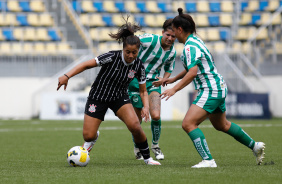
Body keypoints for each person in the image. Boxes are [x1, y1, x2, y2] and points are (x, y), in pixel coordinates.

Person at [160, 8, 265, 168]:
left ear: (180, 30)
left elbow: (193, 72)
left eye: (174, 31)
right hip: (219, 86)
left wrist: (174, 89)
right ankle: (255, 146)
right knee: (221, 125)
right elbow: (193, 68)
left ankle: (208, 160)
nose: (173, 36)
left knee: (188, 124)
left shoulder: (189, 47)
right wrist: (173, 78)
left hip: (210, 89)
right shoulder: (196, 41)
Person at [57, 17, 161, 166]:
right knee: (88, 135)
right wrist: (67, 76)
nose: (131, 56)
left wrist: (145, 107)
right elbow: (87, 64)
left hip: (119, 97)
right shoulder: (111, 57)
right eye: (128, 52)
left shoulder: (138, 66)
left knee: (135, 126)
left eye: (134, 52)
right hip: (98, 96)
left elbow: (143, 91)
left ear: (138, 51)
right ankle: (94, 137)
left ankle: (147, 158)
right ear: (123, 49)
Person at [128, 19, 177, 160]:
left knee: (155, 115)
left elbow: (169, 68)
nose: (170, 38)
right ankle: (138, 147)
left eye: (173, 36)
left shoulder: (172, 52)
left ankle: (155, 146)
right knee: (136, 121)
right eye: (168, 35)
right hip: (134, 82)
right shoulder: (149, 39)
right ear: (162, 33)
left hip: (153, 83)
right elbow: (131, 43)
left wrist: (164, 79)